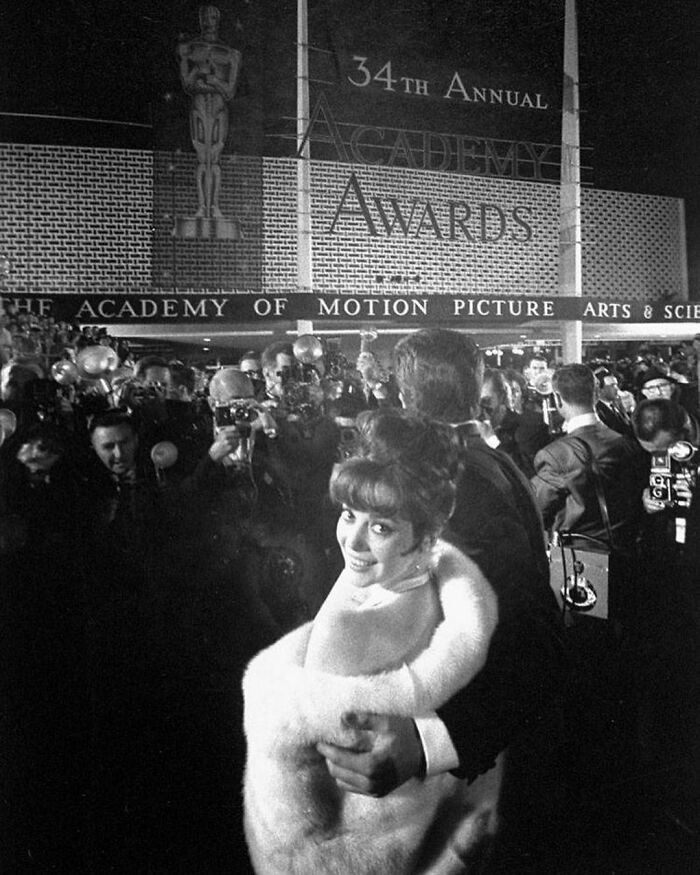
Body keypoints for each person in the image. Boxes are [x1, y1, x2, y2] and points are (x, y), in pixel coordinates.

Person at [314, 328, 565, 868]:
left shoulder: (456, 479)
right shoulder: (483, 461)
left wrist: (430, 742)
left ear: (404, 399)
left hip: (457, 777)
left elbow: (530, 635)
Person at [243, 409, 501, 873]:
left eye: (380, 526)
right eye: (348, 514)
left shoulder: (343, 630)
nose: (353, 541)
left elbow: (303, 818)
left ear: (426, 537)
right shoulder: (448, 596)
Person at [177, 5, 241, 219]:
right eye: (205, 16)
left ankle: (214, 207)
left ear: (218, 19)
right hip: (199, 106)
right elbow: (186, 84)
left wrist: (213, 80)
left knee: (214, 157)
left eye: (213, 16)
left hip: (218, 107)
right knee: (201, 156)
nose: (209, 21)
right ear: (200, 19)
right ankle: (202, 208)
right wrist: (197, 71)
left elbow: (230, 91)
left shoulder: (230, 54)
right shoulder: (190, 48)